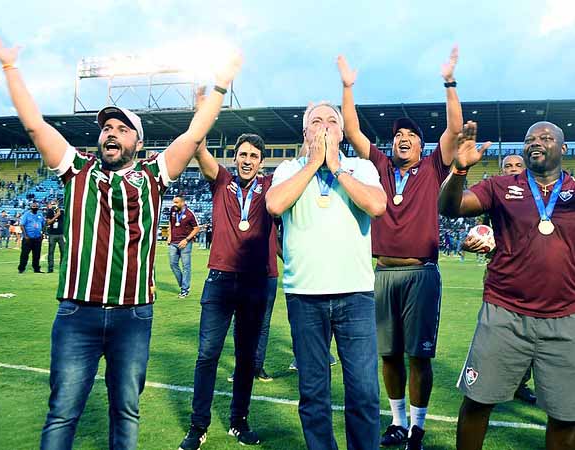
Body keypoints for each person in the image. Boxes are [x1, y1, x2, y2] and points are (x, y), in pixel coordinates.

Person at [0, 29, 241, 449]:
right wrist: (11, 68)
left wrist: (220, 84)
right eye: (106, 127)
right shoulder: (76, 171)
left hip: (132, 317)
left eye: (122, 129)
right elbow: (34, 125)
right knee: (63, 412)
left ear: (137, 142)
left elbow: (194, 135)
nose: (111, 133)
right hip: (76, 315)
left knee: (125, 413)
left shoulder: (153, 175)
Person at [439, 115, 575, 450]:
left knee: (566, 416)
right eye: (529, 139)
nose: (535, 143)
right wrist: (459, 170)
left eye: (545, 138)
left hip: (567, 320)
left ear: (563, 148)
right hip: (504, 315)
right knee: (478, 401)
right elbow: (449, 206)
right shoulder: (500, 187)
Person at [338, 48, 459, 449]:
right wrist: (348, 87)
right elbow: (353, 131)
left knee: (418, 356)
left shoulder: (431, 168)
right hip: (382, 271)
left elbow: (454, 131)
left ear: (422, 147)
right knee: (388, 355)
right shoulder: (379, 168)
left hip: (420, 272)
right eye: (397, 135)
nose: (402, 138)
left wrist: (449, 83)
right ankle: (398, 422)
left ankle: (419, 427)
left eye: (410, 135)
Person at [265, 101, 386, 450]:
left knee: (363, 392)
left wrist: (335, 167)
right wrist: (315, 163)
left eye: (331, 121)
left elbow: (377, 206)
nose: (323, 126)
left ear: (342, 132)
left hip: (356, 294)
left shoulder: (360, 167)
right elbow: (274, 205)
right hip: (304, 295)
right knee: (313, 394)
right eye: (315, 122)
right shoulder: (289, 168)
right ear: (305, 134)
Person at [176, 133, 276, 449]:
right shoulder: (221, 181)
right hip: (219, 282)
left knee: (246, 358)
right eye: (242, 154)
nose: (247, 160)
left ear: (261, 162)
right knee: (207, 355)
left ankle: (238, 421)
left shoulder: (270, 186)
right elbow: (199, 150)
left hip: (254, 283)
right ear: (235, 157)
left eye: (253, 156)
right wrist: (202, 111)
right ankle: (197, 427)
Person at [463, 153, 538, 405]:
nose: (513, 169)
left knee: (533, 338)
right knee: (497, 337)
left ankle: (520, 383)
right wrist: (473, 244)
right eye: (508, 166)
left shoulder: (540, 196)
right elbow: (484, 235)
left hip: (536, 281)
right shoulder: (493, 198)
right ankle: (490, 385)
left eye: (518, 165)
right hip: (501, 280)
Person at [167, 196, 199, 298]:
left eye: (177, 202)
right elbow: (170, 223)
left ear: (183, 203)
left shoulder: (189, 214)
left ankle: (184, 290)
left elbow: (196, 228)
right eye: (173, 202)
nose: (174, 204)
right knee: (173, 264)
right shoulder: (173, 210)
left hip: (185, 243)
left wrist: (186, 240)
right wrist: (169, 236)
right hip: (173, 242)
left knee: (186, 267)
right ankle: (183, 284)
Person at [19, 201, 46, 273]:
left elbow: (44, 224)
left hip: (37, 238)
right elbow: (22, 225)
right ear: (30, 207)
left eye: (36, 206)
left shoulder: (40, 215)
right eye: (33, 206)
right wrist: (25, 236)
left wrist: (42, 234)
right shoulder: (26, 215)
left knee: (37, 255)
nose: (35, 208)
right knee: (25, 254)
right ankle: (21, 269)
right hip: (28, 238)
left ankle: (36, 269)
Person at [45, 200, 65, 274]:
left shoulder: (62, 212)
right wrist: (56, 216)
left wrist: (58, 212)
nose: (53, 205)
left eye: (54, 204)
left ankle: (62, 268)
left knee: (63, 252)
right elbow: (48, 222)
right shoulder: (49, 212)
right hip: (52, 234)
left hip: (61, 234)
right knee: (51, 252)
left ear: (57, 204)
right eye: (52, 203)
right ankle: (50, 268)